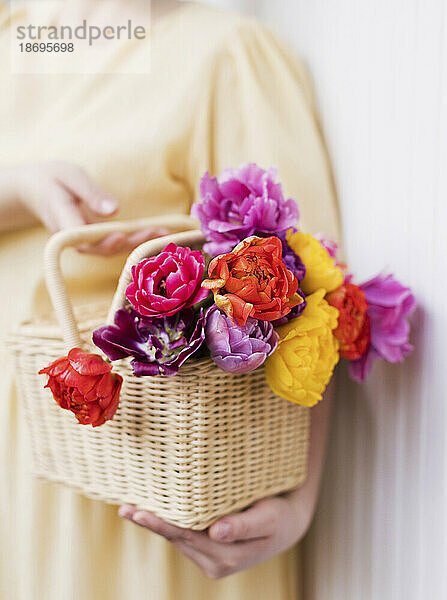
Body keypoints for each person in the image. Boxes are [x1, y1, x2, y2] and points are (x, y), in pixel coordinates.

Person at [0, 1, 341, 598]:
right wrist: (19, 189)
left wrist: (298, 501)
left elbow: (306, 289)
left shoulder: (227, 54)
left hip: (140, 465)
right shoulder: (16, 34)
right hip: (22, 448)